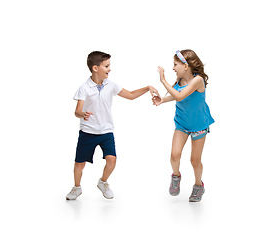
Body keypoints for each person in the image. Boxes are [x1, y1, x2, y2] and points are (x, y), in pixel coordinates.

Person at [66, 51, 160, 200]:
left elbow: (130, 95)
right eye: (107, 66)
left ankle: (103, 182)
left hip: (106, 131)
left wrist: (147, 88)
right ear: (95, 68)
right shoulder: (84, 87)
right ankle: (76, 188)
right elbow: (77, 110)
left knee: (112, 160)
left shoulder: (111, 85)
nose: (110, 69)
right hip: (88, 132)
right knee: (79, 165)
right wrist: (82, 114)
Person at [153, 50, 214, 202]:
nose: (173, 68)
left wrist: (163, 80)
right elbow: (176, 94)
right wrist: (163, 100)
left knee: (194, 160)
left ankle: (199, 185)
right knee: (174, 155)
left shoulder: (198, 80)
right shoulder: (180, 80)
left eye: (175, 64)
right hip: (182, 123)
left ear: (186, 66)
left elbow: (180, 96)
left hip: (199, 124)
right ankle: (176, 176)